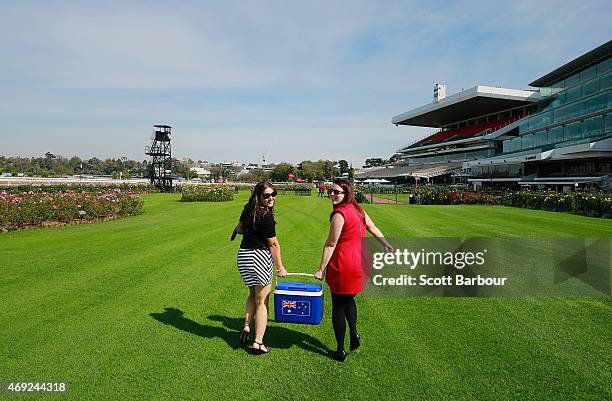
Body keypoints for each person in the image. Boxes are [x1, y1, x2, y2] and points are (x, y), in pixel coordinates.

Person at [314, 178, 393, 362]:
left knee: (338, 306)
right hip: (360, 261)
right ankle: (355, 333)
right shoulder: (358, 209)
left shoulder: (339, 214)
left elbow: (330, 244)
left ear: (346, 193)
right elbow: (372, 228)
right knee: (349, 299)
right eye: (330, 191)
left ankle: (340, 350)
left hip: (344, 264)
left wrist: (321, 269)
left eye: (336, 192)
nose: (332, 194)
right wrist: (386, 244)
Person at [233, 182, 287, 354]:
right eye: (267, 195)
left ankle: (247, 327)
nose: (271, 198)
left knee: (252, 294)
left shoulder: (249, 208)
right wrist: (280, 268)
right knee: (262, 300)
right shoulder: (266, 215)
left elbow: (239, 229)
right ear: (259, 196)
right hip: (259, 257)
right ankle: (258, 342)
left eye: (274, 194)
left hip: (244, 256)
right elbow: (273, 244)